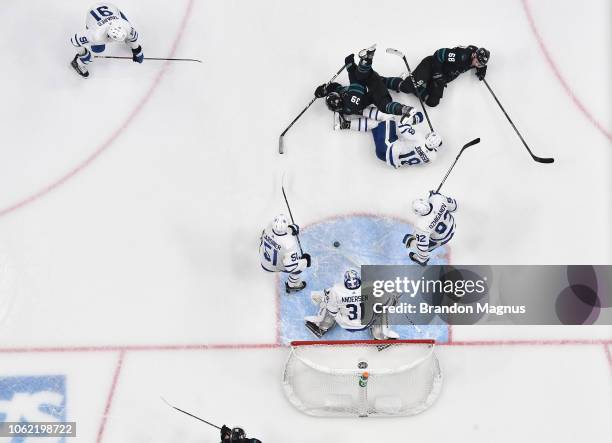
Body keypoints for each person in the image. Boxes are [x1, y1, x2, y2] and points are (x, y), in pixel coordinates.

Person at [314, 45, 416, 122]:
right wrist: (350, 66)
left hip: (371, 83)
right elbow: (357, 83)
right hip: (374, 89)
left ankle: (402, 90)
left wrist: (324, 90)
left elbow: (335, 86)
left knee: (380, 83)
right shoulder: (351, 103)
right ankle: (366, 60)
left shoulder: (341, 96)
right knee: (383, 104)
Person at [305, 270, 399, 340]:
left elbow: (331, 308)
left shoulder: (336, 290)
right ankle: (381, 335)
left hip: (345, 324)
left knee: (327, 303)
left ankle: (321, 326)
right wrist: (393, 298)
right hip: (365, 324)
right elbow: (389, 303)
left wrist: (324, 297)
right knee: (381, 309)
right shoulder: (371, 288)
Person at [383, 46, 490, 107]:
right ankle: (382, 81)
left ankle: (417, 86)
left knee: (432, 102)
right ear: (474, 55)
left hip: (441, 78)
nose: (477, 65)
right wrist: (437, 74)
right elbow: (439, 54)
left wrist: (482, 70)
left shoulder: (476, 60)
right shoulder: (461, 56)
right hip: (431, 66)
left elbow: (480, 62)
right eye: (478, 62)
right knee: (406, 88)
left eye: (480, 64)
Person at [336, 108, 443, 168]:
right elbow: (431, 149)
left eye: (428, 136)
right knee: (377, 124)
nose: (427, 135)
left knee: (388, 116)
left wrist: (415, 118)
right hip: (386, 157)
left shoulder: (420, 139)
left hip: (388, 146)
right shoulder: (432, 158)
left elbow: (402, 126)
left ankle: (354, 109)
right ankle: (344, 124)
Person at [70, 2, 144, 78]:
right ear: (108, 36)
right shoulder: (96, 35)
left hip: (110, 7)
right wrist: (84, 54)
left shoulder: (126, 26)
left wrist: (137, 50)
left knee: (130, 37)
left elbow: (132, 37)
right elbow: (74, 40)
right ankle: (77, 62)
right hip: (92, 15)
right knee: (98, 49)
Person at [404, 191, 458, 266]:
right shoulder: (438, 199)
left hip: (442, 239)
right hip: (452, 225)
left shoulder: (421, 225)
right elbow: (455, 207)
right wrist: (436, 196)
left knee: (408, 239)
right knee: (421, 234)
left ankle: (411, 242)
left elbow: (423, 252)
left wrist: (421, 258)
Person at [260, 214, 311, 293]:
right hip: (275, 266)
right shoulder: (289, 242)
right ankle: (292, 285)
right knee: (300, 266)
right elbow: (291, 267)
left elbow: (274, 237)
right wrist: (305, 261)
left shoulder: (268, 228)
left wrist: (290, 229)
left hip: (264, 261)